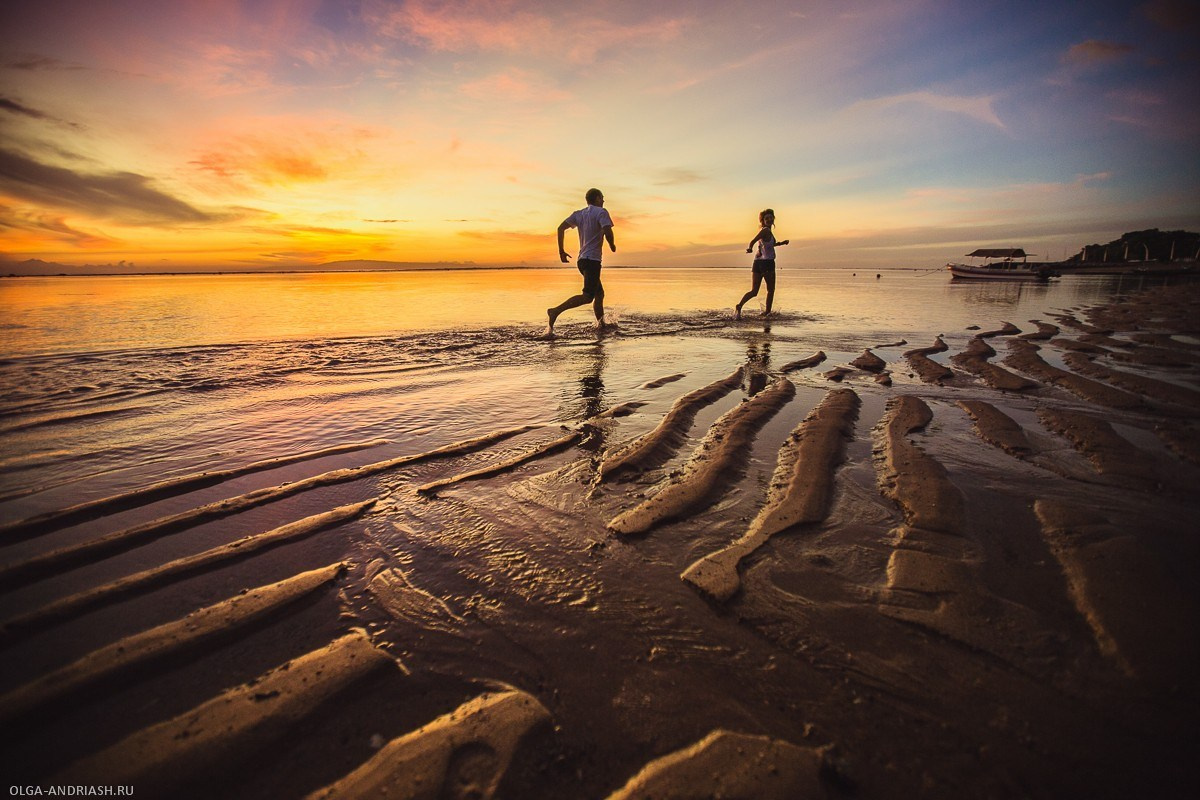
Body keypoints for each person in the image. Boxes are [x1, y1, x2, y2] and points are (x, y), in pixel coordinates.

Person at [548, 188, 615, 335]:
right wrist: (612, 245)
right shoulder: (601, 212)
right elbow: (608, 231)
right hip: (592, 261)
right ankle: (555, 311)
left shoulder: (579, 214)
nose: (603, 201)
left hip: (582, 260)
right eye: (602, 198)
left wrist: (561, 251)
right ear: (597, 198)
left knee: (599, 294)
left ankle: (601, 326)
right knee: (588, 296)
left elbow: (560, 228)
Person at [735, 208, 789, 319]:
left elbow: (769, 245)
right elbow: (752, 241)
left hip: (757, 264)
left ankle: (739, 306)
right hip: (767, 264)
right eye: (766, 218)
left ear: (774, 219)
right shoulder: (766, 231)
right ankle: (767, 314)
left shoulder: (767, 232)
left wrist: (781, 243)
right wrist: (750, 248)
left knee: (754, 291)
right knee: (771, 290)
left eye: (770, 217)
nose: (769, 219)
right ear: (763, 221)